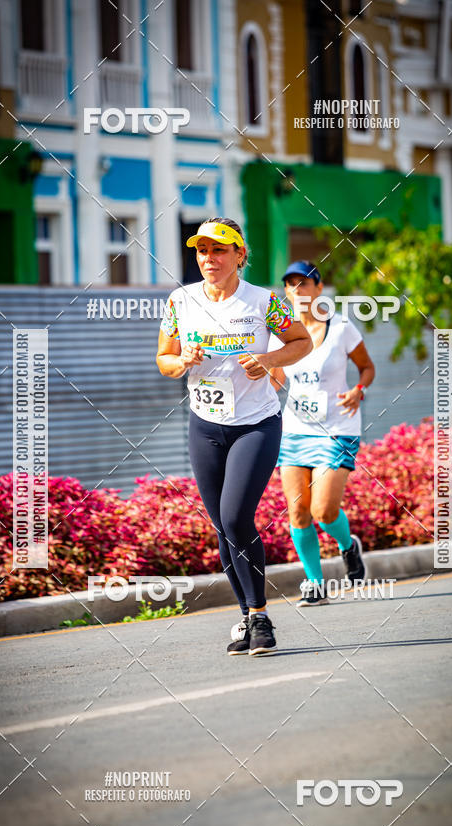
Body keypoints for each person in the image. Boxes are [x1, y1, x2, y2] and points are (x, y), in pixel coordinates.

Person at [156, 218, 312, 653]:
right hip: (205, 426)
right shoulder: (180, 301)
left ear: (240, 255)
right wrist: (182, 360)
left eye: (219, 250)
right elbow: (164, 359)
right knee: (222, 528)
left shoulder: (263, 301)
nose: (209, 258)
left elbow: (301, 342)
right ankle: (246, 616)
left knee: (235, 517)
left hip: (255, 424)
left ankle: (261, 616)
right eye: (202, 250)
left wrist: (268, 359)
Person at [269, 261, 375, 606]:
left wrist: (358, 390)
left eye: (304, 283)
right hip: (295, 430)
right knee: (297, 511)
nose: (297, 290)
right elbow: (277, 379)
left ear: (319, 287)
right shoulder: (281, 333)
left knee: (324, 511)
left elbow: (367, 367)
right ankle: (315, 585)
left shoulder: (341, 327)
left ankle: (348, 545)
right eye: (291, 284)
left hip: (336, 430)